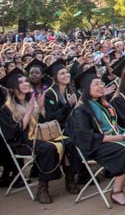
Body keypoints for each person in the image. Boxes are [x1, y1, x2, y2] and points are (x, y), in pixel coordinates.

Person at [68, 69, 125, 206]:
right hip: (95, 145)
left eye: (101, 84)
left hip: (111, 140)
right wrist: (115, 138)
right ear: (86, 89)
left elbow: (113, 125)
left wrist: (123, 134)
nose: (101, 87)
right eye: (96, 85)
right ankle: (116, 192)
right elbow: (87, 136)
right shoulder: (80, 110)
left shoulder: (100, 103)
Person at [0, 69, 79, 204]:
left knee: (70, 142)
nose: (25, 83)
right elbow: (14, 132)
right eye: (21, 82)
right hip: (22, 142)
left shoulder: (31, 102)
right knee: (48, 148)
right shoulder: (6, 109)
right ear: (13, 88)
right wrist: (30, 111)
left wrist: (41, 108)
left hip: (39, 136)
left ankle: (70, 178)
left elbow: (43, 121)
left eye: (25, 80)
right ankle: (43, 187)